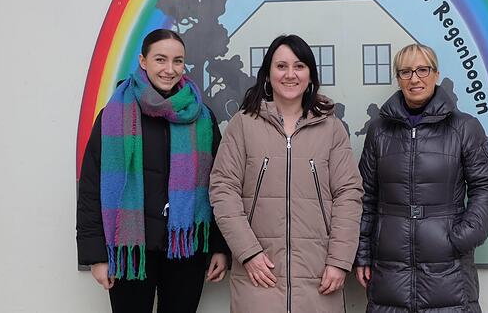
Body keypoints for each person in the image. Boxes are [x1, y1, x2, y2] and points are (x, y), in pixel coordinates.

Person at [76, 29, 229, 313]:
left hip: (186, 249)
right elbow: (91, 188)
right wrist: (97, 255)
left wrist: (219, 246)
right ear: (143, 61)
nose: (169, 69)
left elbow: (218, 187)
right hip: (132, 252)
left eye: (178, 61)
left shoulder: (202, 117)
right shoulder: (113, 115)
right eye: (161, 59)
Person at [210, 34, 363, 313]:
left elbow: (348, 195)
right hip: (259, 276)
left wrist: (340, 261)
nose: (290, 74)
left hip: (319, 278)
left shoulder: (331, 128)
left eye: (299, 66)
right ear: (268, 74)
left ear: (310, 75)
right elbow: (223, 189)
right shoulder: (243, 124)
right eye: (281, 66)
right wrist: (249, 253)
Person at [354, 43, 488, 312]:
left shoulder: (464, 127)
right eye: (406, 71)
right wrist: (363, 253)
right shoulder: (379, 131)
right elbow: (366, 196)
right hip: (389, 265)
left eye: (422, 69)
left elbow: (485, 188)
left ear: (435, 73)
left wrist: (461, 238)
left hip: (449, 266)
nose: (415, 78)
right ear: (398, 79)